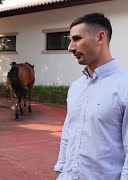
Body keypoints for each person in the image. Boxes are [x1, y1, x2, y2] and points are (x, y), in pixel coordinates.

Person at [54, 13, 128, 179]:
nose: (70, 47)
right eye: (70, 40)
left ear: (100, 38)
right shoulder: (75, 87)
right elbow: (68, 133)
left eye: (77, 38)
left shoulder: (124, 87)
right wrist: (60, 170)